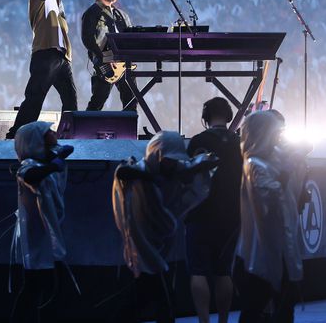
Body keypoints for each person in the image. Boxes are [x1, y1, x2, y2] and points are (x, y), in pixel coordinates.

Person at [112, 131, 218, 323]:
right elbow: (123, 172)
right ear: (156, 155)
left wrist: (199, 165)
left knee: (143, 297)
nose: (172, 164)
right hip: (144, 246)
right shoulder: (140, 170)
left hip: (160, 245)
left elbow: (203, 163)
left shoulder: (175, 169)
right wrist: (149, 177)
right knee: (163, 298)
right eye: (167, 160)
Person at [236, 110, 310, 323]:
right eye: (275, 133)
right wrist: (286, 171)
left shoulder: (274, 159)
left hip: (279, 248)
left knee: (285, 306)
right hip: (259, 252)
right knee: (256, 306)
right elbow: (267, 200)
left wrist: (296, 164)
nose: (279, 138)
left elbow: (293, 198)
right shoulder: (254, 164)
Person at [7, 0, 76, 139]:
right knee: (35, 97)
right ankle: (16, 134)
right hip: (46, 53)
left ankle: (69, 134)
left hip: (61, 56)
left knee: (71, 100)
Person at [10, 120, 74, 322]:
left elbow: (64, 150)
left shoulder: (44, 161)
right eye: (48, 132)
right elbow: (30, 175)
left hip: (47, 239)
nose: (54, 133)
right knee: (35, 288)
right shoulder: (28, 166)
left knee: (40, 288)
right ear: (35, 140)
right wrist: (52, 165)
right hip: (36, 240)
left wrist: (53, 158)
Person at [185, 97, 241, 323]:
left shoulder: (198, 141)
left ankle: (204, 320)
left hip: (200, 212)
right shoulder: (240, 143)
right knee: (223, 270)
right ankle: (224, 320)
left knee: (198, 270)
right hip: (231, 213)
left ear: (205, 117)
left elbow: (187, 176)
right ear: (228, 116)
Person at [80, 0, 136, 111]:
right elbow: (88, 39)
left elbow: (130, 37)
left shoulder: (121, 14)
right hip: (105, 62)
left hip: (123, 62)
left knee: (131, 98)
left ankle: (128, 130)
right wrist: (104, 57)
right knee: (99, 99)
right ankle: (86, 130)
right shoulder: (91, 13)